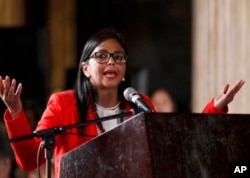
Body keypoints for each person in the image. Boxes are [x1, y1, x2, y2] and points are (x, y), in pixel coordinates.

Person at [0, 27, 245, 177]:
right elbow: (30, 159)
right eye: (102, 56)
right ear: (85, 68)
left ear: (125, 69)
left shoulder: (138, 104)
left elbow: (173, 146)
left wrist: (215, 108)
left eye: (118, 57)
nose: (112, 62)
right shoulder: (64, 104)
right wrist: (16, 111)